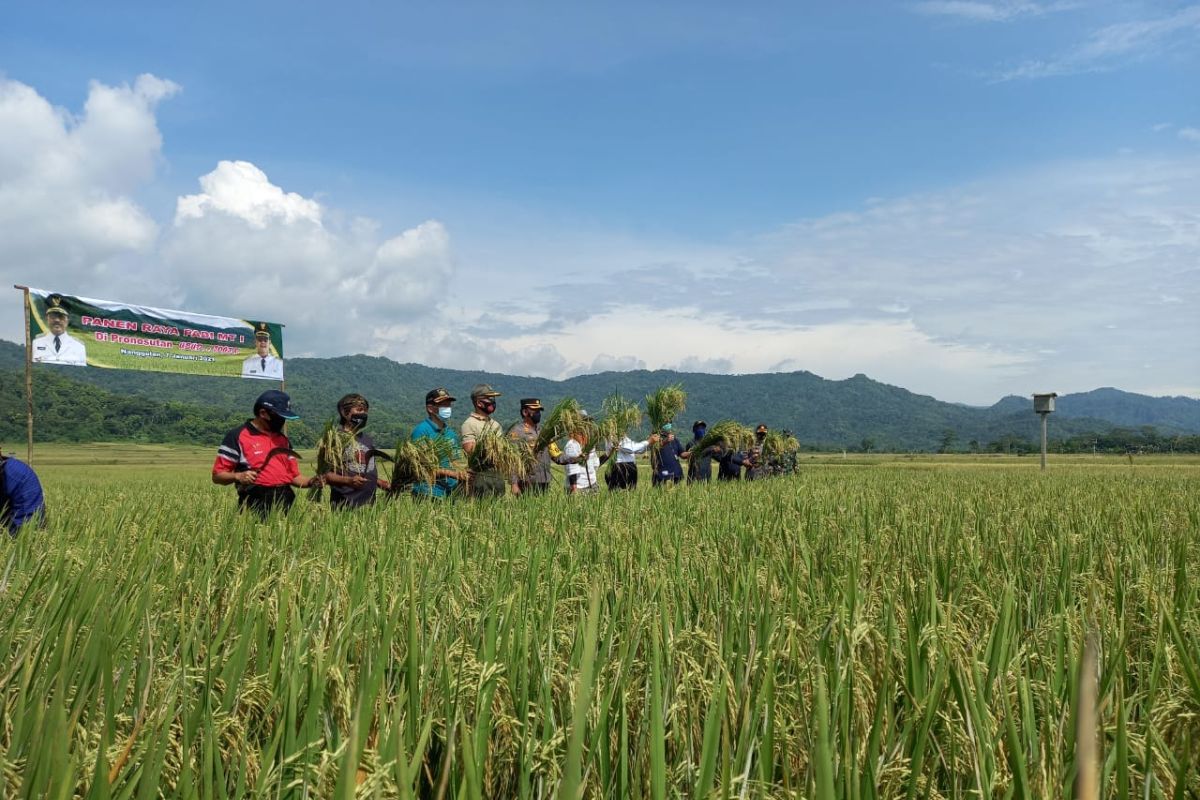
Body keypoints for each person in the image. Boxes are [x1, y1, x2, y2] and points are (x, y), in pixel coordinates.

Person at [212, 389, 321, 517]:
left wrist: (311, 482)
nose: (282, 421)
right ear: (263, 413)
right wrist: (238, 476)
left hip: (284, 501)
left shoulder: (283, 440)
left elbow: (294, 477)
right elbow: (217, 476)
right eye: (280, 417)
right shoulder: (238, 436)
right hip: (254, 502)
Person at [318, 393, 391, 509]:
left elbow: (366, 470)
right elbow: (325, 473)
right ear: (344, 412)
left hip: (368, 505)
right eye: (359, 410)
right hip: (344, 504)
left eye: (365, 411)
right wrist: (348, 481)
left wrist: (380, 483)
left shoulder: (367, 439)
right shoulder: (336, 438)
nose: (363, 414)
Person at [410, 388, 469, 499]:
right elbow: (422, 467)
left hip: (450, 492)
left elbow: (457, 460)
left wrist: (464, 471)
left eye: (448, 405)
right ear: (430, 408)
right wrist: (453, 474)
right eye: (442, 405)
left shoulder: (451, 433)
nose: (447, 408)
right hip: (428, 492)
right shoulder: (421, 431)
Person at [461, 383, 506, 498]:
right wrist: (490, 447)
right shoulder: (469, 424)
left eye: (493, 399)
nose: (492, 402)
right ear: (479, 402)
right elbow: (470, 450)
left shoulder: (496, 425)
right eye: (489, 399)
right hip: (480, 476)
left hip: (497, 476)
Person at [507, 398, 552, 495]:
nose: (538, 413)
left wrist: (575, 458)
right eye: (535, 411)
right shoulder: (517, 432)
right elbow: (512, 460)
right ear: (525, 412)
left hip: (545, 481)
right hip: (527, 482)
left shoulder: (544, 431)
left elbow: (556, 454)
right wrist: (514, 484)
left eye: (539, 411)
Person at [0, 446, 47, 535]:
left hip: (26, 514)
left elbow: (25, 519)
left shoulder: (15, 473)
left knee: (23, 535)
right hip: (11, 505)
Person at [31, 294, 87, 366]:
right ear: (47, 319)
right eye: (53, 317)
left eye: (61, 317)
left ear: (67, 321)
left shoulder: (79, 346)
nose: (57, 320)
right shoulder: (36, 342)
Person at [557, 419, 605, 494]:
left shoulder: (590, 444)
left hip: (592, 485)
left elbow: (596, 464)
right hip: (579, 487)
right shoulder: (572, 445)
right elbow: (572, 468)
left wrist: (609, 453)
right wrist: (574, 488)